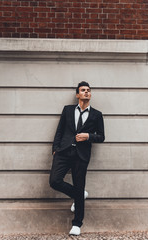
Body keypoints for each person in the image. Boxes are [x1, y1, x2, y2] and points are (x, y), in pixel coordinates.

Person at [49, 81, 105, 235]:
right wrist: (55, 149)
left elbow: (101, 136)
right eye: (83, 90)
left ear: (90, 94)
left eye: (88, 90)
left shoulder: (96, 115)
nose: (86, 92)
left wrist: (88, 136)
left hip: (81, 155)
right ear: (77, 94)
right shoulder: (67, 110)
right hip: (64, 152)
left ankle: (77, 224)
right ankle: (78, 195)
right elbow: (59, 130)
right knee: (54, 181)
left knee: (79, 185)